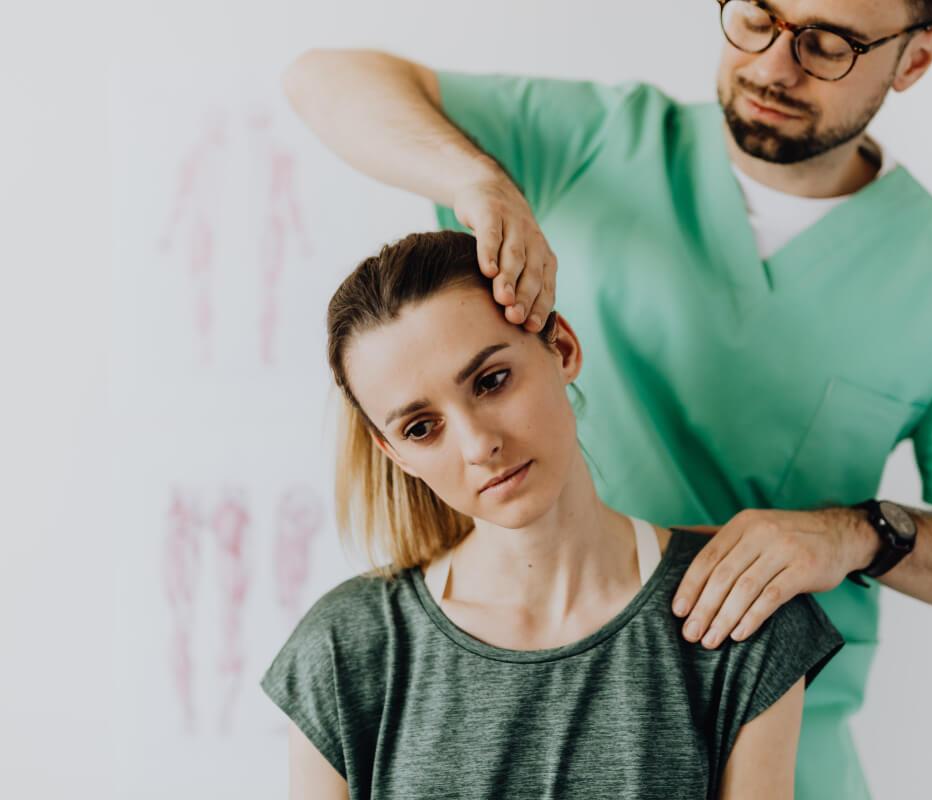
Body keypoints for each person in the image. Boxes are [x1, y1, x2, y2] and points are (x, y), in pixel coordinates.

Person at [281, 0, 932, 795]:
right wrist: (476, 180)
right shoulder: (592, 143)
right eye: (757, 17)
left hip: (775, 732)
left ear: (916, 57)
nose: (773, 64)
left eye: (829, 43)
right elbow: (323, 77)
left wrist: (853, 536)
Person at [260, 230, 844, 799]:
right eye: (421, 428)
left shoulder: (740, 614)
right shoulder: (344, 649)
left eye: (491, 381)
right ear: (396, 455)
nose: (476, 444)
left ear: (561, 347)